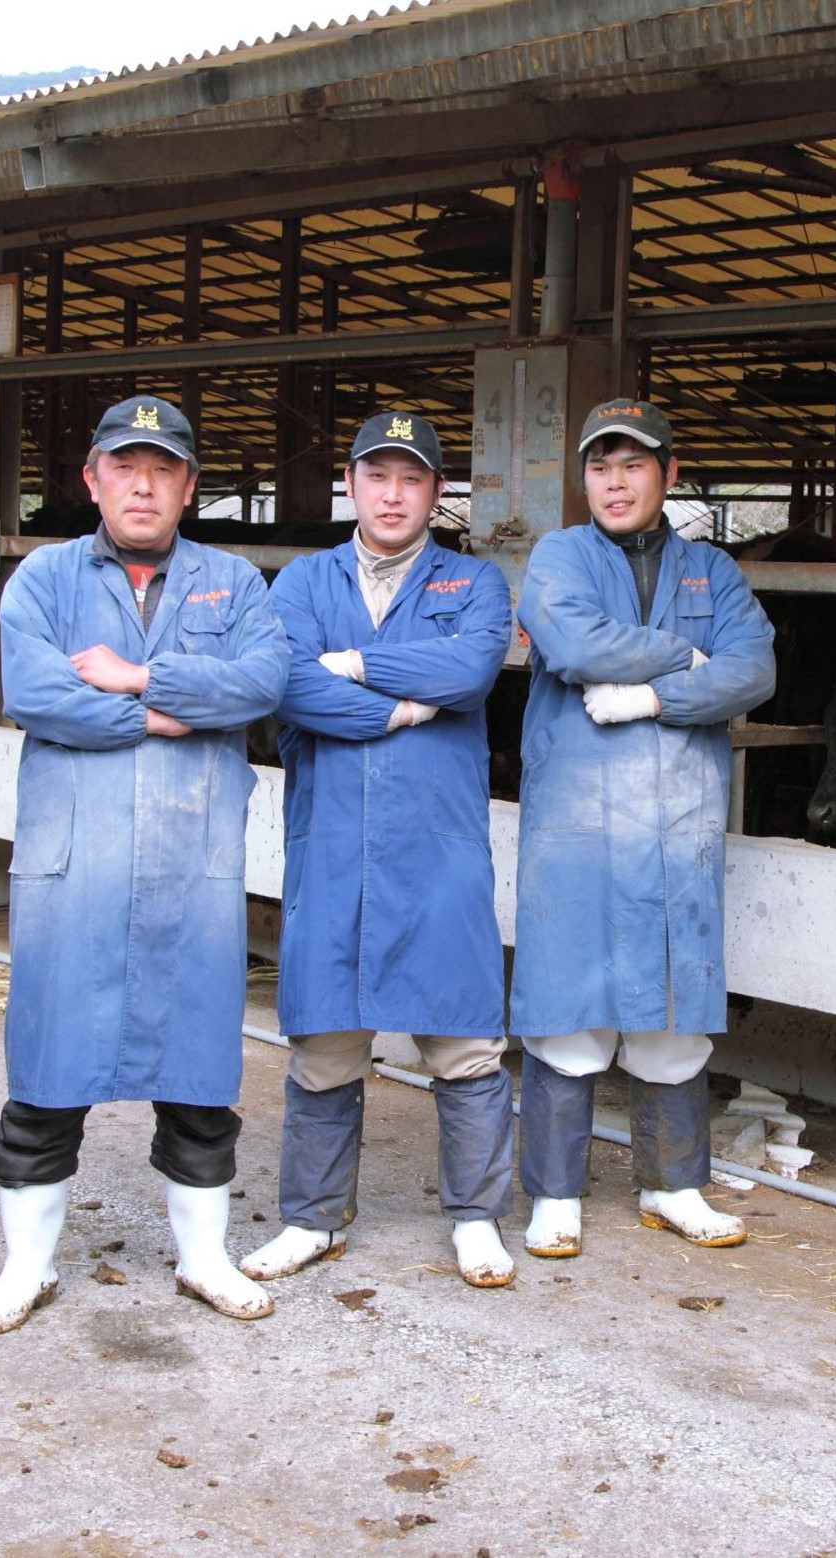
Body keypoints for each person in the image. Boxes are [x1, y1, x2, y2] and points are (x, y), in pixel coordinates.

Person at [0, 394, 289, 1331]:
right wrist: (174, 716)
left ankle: (205, 1260)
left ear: (189, 486)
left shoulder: (235, 581)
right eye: (125, 465)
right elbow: (36, 694)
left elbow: (263, 683)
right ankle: (26, 1267)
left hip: (192, 865)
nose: (143, 483)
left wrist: (138, 676)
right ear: (92, 479)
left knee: (196, 1074)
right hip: (79, 863)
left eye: (163, 468)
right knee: (46, 1070)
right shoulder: (42, 579)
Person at [239, 412, 518, 1289]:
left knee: (464, 1041)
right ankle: (312, 1220)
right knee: (324, 1039)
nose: (393, 494)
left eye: (412, 479)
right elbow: (286, 684)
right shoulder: (299, 582)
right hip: (333, 846)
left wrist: (353, 665)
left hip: (436, 847)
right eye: (377, 476)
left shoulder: (473, 582)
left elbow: (469, 675)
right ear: (351, 486)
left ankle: (477, 1219)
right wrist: (399, 705)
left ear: (438, 494)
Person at [510, 398, 776, 1261]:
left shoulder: (715, 571)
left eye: (632, 465)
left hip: (680, 822)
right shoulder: (560, 555)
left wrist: (654, 696)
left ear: (667, 472)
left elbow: (756, 671)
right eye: (599, 466)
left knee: (673, 1013)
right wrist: (687, 657)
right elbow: (573, 644)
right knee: (568, 1009)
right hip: (578, 824)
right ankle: (554, 1195)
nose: (615, 482)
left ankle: (674, 1186)